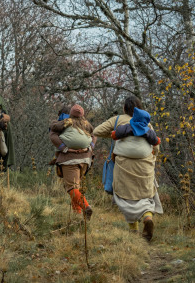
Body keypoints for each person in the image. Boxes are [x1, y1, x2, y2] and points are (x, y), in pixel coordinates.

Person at [93, 96, 163, 241]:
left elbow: (97, 131)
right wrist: (152, 157)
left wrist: (115, 134)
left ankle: (133, 231)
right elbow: (156, 147)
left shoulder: (117, 120)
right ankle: (147, 217)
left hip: (124, 165)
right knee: (145, 195)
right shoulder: (146, 124)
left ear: (125, 108)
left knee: (125, 198)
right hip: (144, 165)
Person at [49, 104, 96, 219]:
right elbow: (94, 135)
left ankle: (86, 207)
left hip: (70, 159)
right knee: (77, 187)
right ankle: (77, 216)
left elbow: (53, 133)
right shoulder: (86, 124)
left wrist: (64, 148)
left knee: (71, 188)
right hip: (85, 160)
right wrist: (90, 147)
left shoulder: (66, 122)